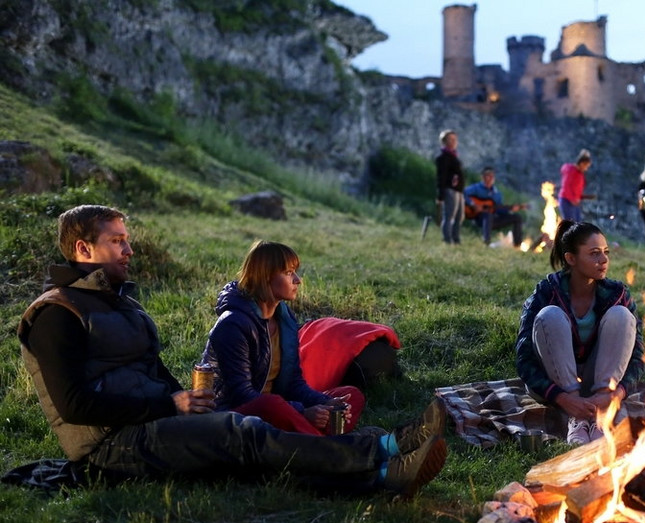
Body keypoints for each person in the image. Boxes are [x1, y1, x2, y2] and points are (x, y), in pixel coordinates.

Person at [17, 205, 446, 497]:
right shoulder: (56, 313)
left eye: (128, 240)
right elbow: (74, 405)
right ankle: (382, 451)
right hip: (110, 446)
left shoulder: (120, 303)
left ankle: (381, 475)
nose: (130, 250)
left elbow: (153, 372)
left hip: (153, 422)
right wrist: (170, 403)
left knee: (245, 460)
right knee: (241, 432)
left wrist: (186, 406)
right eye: (117, 241)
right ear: (82, 249)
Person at [201, 240, 363, 437]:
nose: (298, 280)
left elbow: (293, 383)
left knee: (350, 396)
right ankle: (329, 446)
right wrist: (302, 412)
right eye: (288, 273)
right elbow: (242, 397)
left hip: (279, 406)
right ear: (265, 277)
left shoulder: (284, 319)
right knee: (271, 404)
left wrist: (324, 403)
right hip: (233, 414)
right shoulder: (233, 325)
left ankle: (310, 438)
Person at [516, 220, 645, 445]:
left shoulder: (617, 293)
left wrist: (618, 393)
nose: (603, 260)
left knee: (623, 316)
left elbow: (638, 354)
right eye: (594, 253)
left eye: (605, 252)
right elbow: (524, 357)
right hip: (558, 386)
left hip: (602, 385)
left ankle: (600, 417)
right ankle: (577, 417)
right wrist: (563, 398)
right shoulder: (547, 291)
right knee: (549, 316)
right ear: (571, 258)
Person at [463, 167, 526, 247]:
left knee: (517, 218)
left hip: (492, 219)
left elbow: (498, 209)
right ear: (482, 177)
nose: (489, 178)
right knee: (487, 214)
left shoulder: (496, 193)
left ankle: (517, 245)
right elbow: (463, 194)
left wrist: (510, 209)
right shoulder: (476, 188)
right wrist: (472, 204)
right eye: (487, 176)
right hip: (479, 218)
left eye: (491, 176)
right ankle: (486, 241)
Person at [435, 129, 465, 245]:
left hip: (458, 191)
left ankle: (456, 239)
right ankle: (447, 240)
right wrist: (440, 194)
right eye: (450, 139)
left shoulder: (454, 156)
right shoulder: (443, 158)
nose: (453, 142)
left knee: (459, 217)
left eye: (455, 139)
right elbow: (441, 177)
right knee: (449, 216)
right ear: (444, 141)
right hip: (450, 190)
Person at [558, 149, 594, 222]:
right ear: (581, 164)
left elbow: (576, 189)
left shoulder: (580, 174)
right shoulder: (571, 170)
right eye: (586, 166)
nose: (586, 169)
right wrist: (572, 199)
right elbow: (566, 186)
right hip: (567, 201)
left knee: (578, 224)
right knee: (571, 225)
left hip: (575, 202)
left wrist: (585, 197)